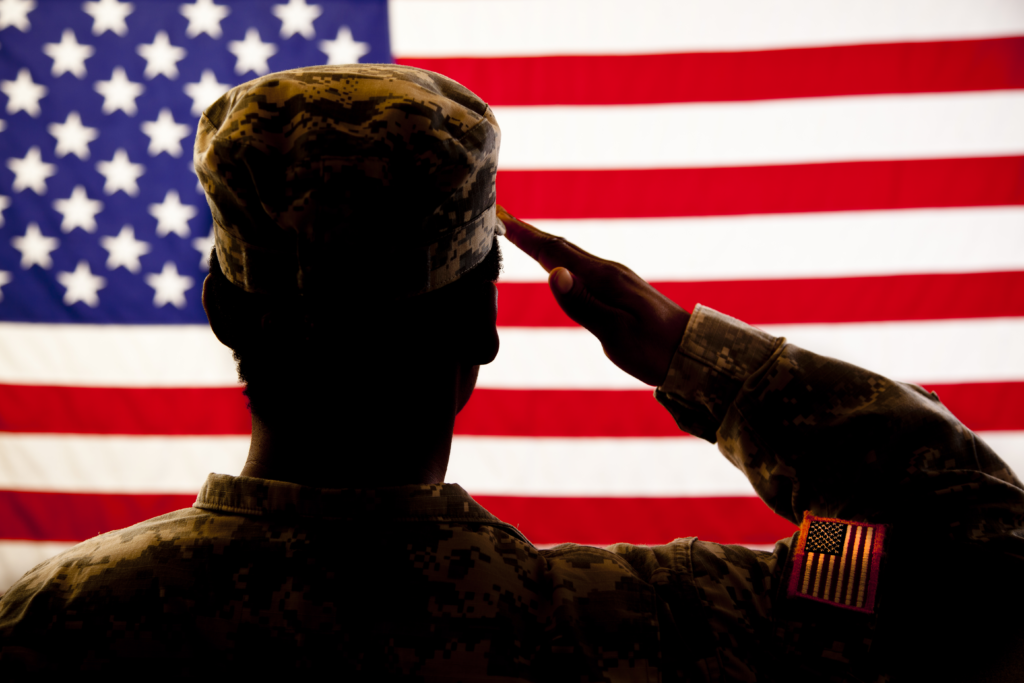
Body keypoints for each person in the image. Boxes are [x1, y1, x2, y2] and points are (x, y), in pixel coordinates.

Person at [1, 64, 1022, 680]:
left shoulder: (48, 620)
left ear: (222, 309)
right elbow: (982, 566)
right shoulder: (656, 614)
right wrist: (698, 352)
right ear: (485, 326)